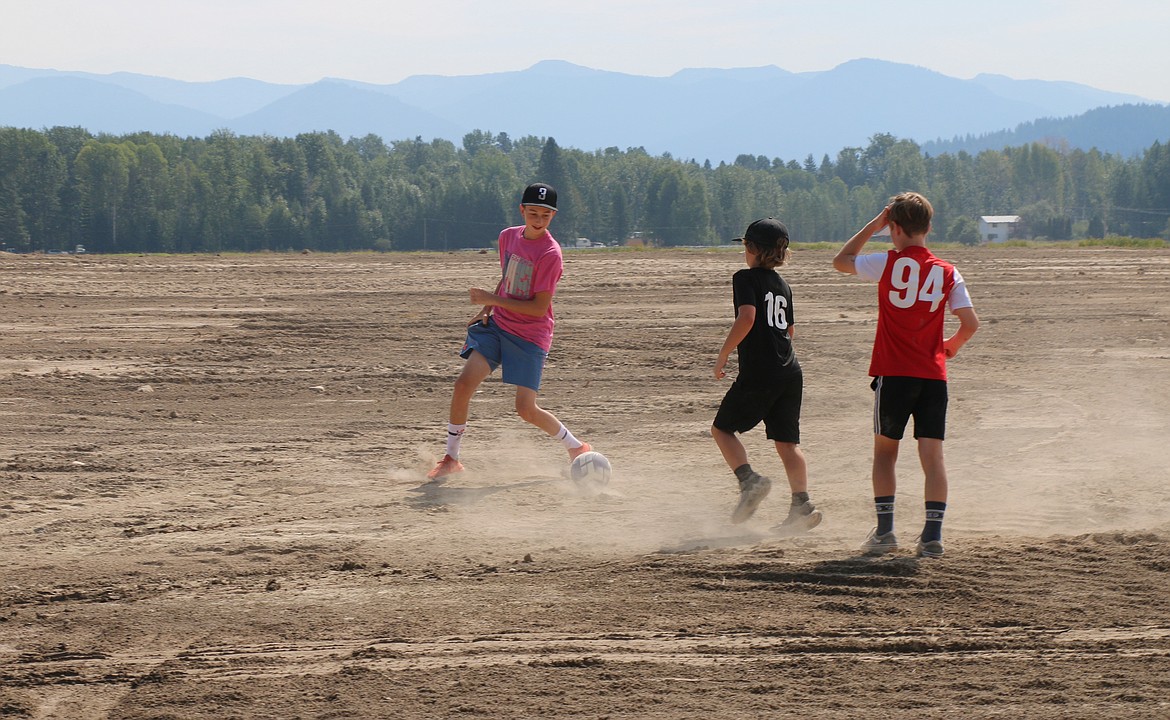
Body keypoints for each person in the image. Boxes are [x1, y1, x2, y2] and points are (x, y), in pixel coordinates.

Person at [832, 192, 980, 558]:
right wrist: (952, 345)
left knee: (885, 453)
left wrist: (873, 225)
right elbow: (970, 323)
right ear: (929, 227)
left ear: (893, 228)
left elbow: (841, 261)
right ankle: (932, 536)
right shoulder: (948, 271)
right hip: (933, 375)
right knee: (933, 458)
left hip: (894, 374)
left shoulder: (888, 263)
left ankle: (885, 532)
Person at [426, 182, 590, 480]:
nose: (538, 220)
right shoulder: (507, 237)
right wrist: (487, 309)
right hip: (498, 325)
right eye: (533, 213)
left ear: (553, 216)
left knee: (525, 409)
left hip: (530, 335)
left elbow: (539, 309)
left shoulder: (551, 254)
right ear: (522, 210)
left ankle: (576, 447)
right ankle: (451, 458)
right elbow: (508, 278)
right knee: (463, 385)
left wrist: (490, 298)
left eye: (545, 215)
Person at [712, 218, 822, 534]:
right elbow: (789, 330)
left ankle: (750, 481)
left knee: (722, 429)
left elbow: (747, 317)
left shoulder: (745, 279)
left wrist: (724, 353)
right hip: (790, 371)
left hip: (760, 371)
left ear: (752, 249)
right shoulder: (784, 286)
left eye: (746, 245)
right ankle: (802, 505)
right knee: (788, 442)